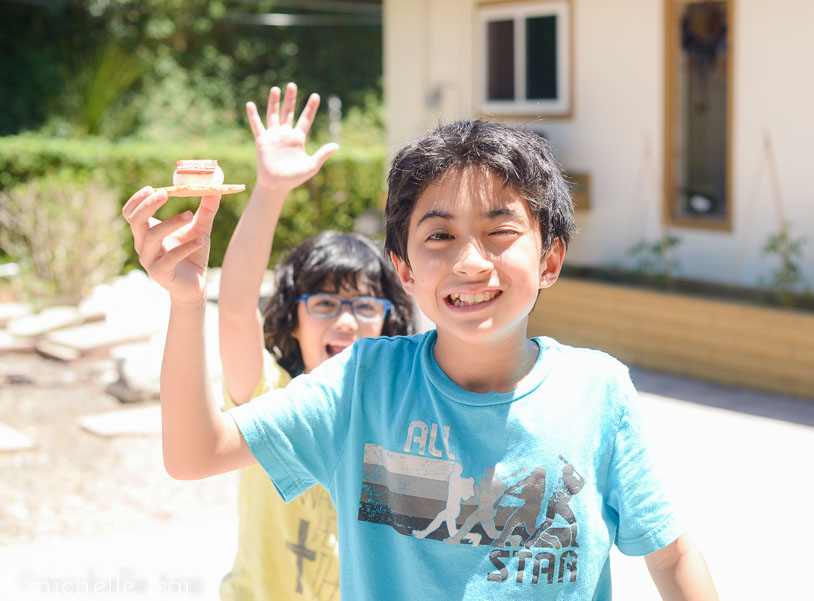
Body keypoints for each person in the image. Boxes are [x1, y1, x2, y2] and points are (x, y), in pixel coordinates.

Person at [122, 119, 718, 600]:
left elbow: (672, 556)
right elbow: (194, 453)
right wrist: (185, 299)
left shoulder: (599, 392)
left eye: (500, 230)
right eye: (439, 235)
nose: (470, 262)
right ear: (404, 268)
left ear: (550, 260)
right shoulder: (361, 385)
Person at [215, 83, 415, 601]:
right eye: (324, 304)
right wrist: (270, 190)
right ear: (291, 321)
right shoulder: (269, 398)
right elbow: (235, 311)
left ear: (389, 323)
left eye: (364, 305)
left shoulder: (403, 409)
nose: (346, 322)